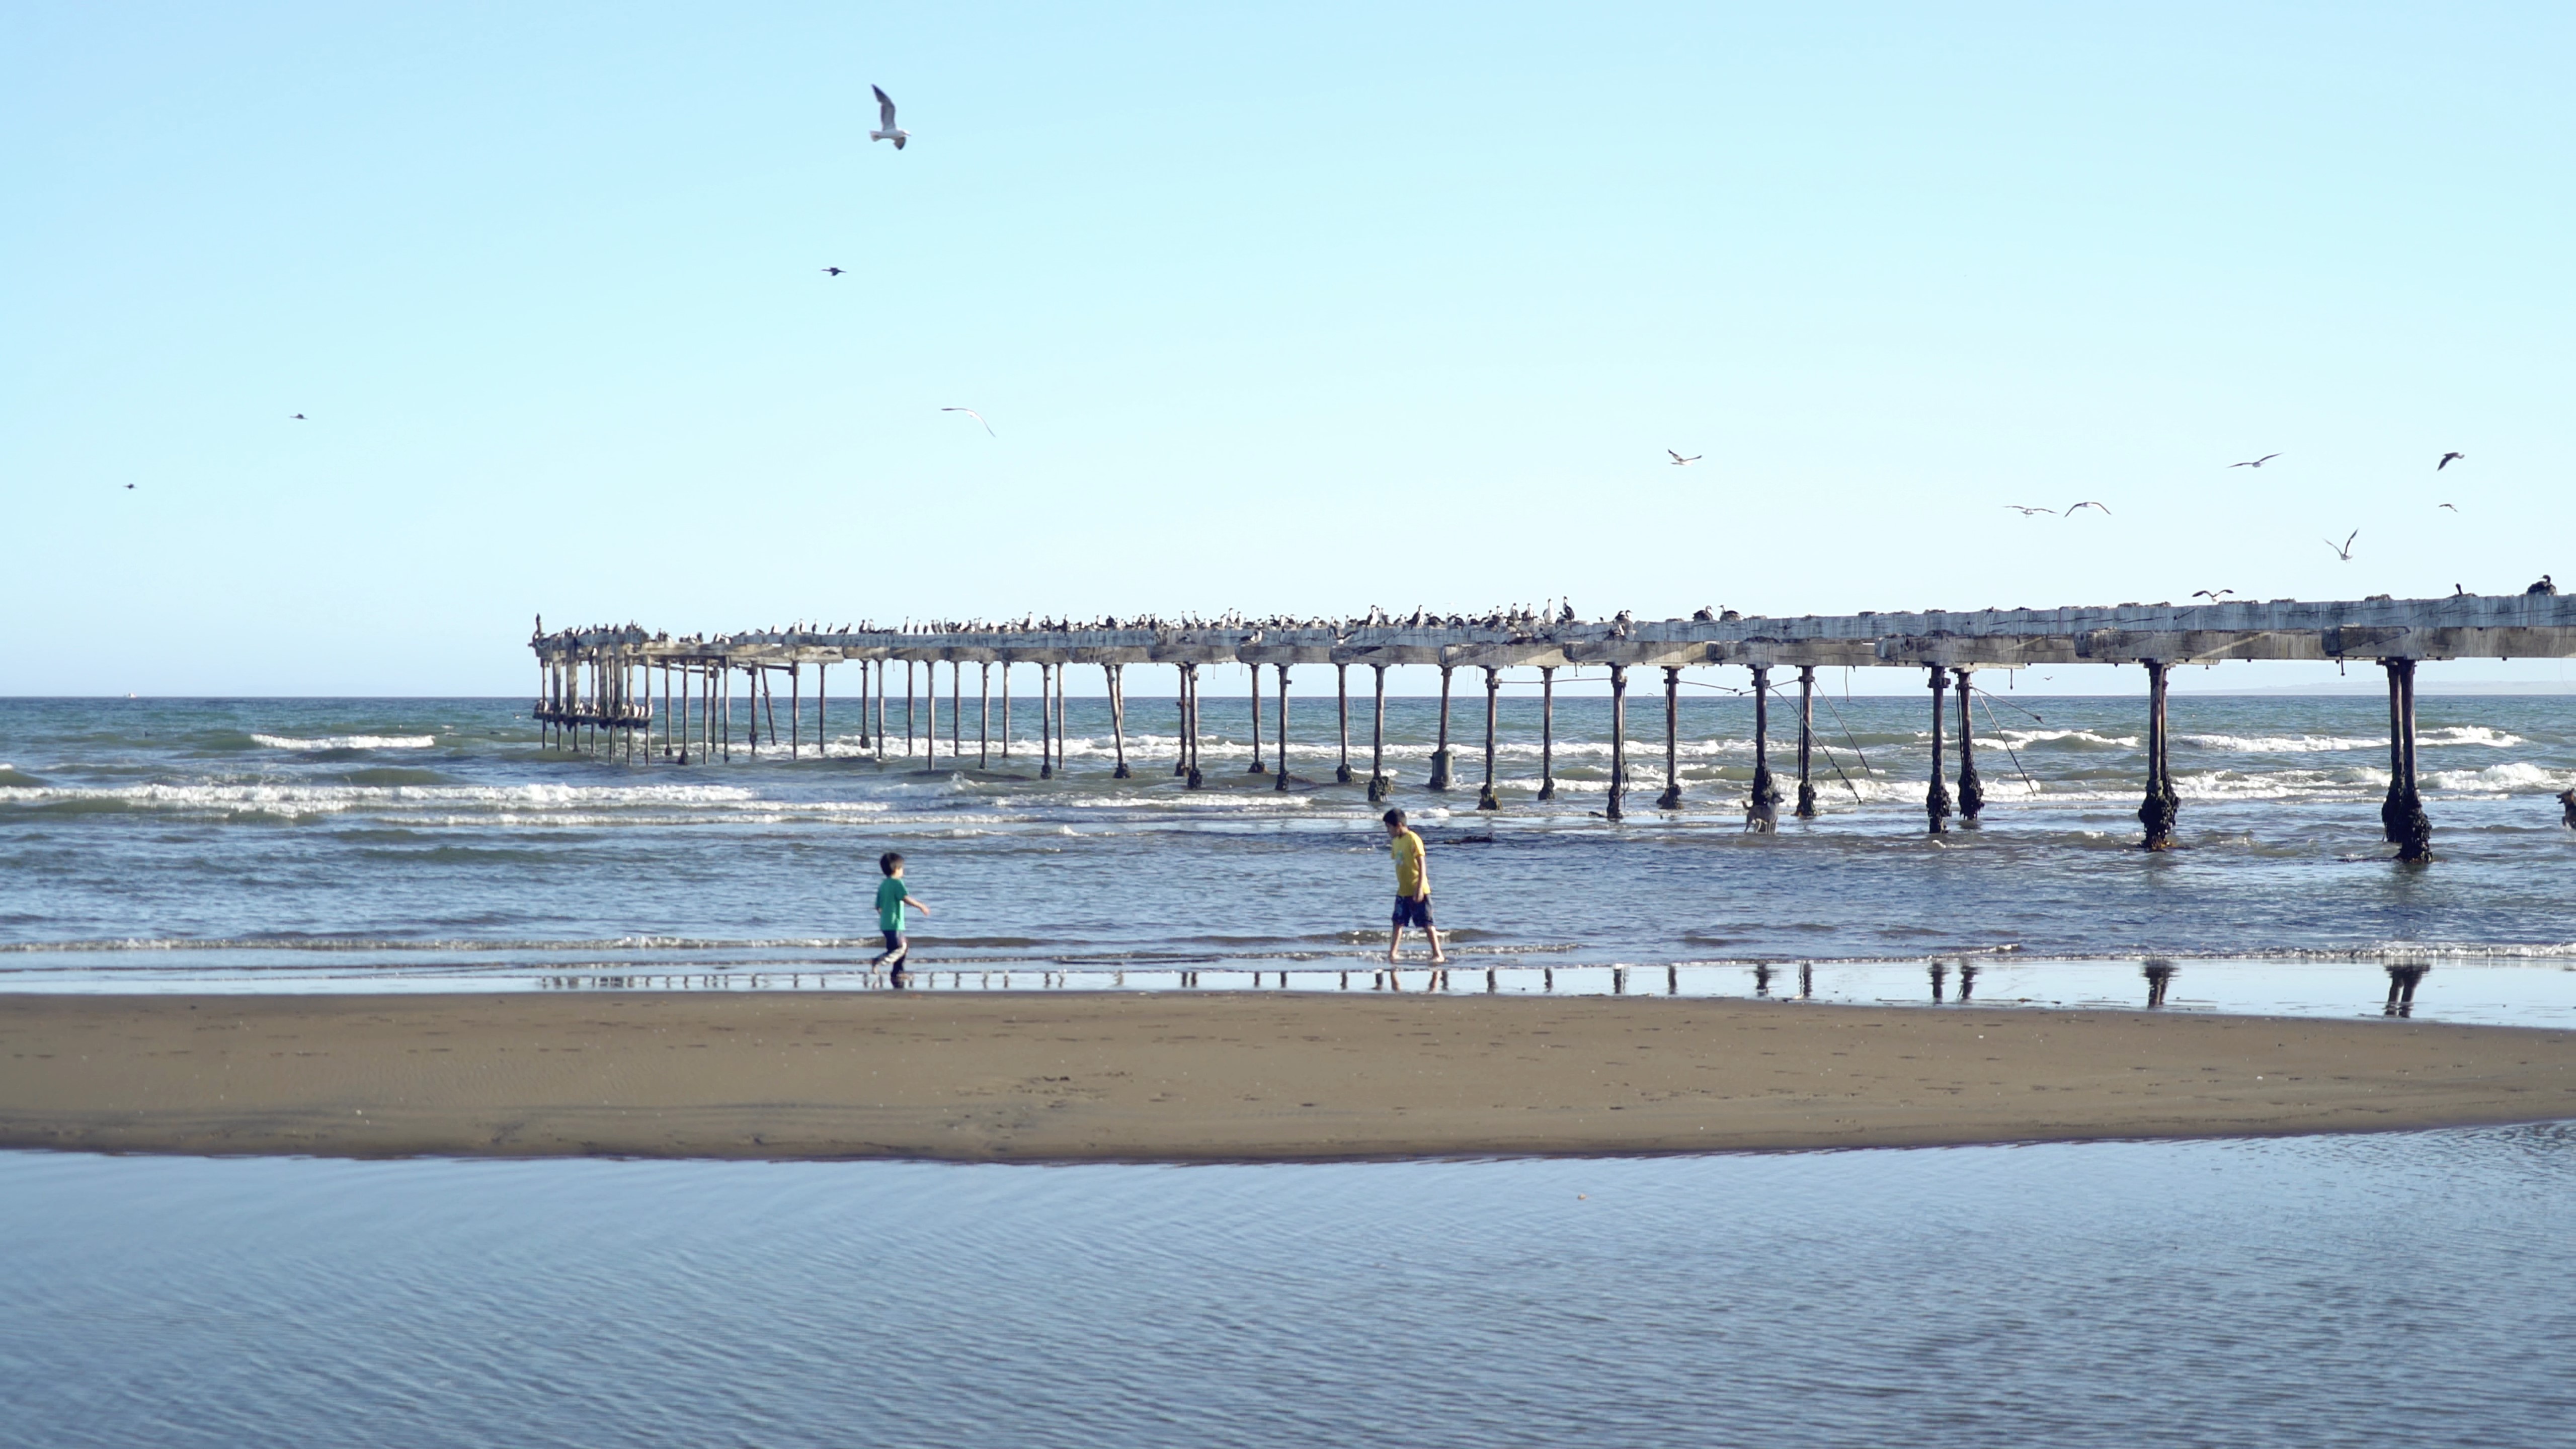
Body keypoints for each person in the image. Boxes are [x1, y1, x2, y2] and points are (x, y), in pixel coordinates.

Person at [1383, 808, 1447, 968]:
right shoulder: (1396, 841)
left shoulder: (1413, 839)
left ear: (1398, 826)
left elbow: (1422, 865)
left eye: (1389, 828)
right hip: (1403, 891)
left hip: (1419, 890)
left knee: (1427, 923)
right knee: (1398, 922)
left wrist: (1419, 888)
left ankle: (1438, 954)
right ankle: (1393, 953)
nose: (1387, 831)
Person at [873, 851, 929, 971]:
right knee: (902, 948)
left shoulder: (883, 885)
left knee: (895, 949)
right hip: (895, 924)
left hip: (885, 924)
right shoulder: (897, 883)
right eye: (902, 868)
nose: (903, 871)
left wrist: (884, 915)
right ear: (897, 869)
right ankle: (878, 961)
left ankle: (897, 972)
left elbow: (878, 906)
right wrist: (921, 906)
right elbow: (905, 897)